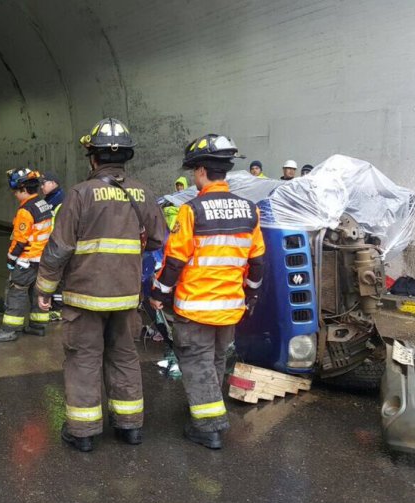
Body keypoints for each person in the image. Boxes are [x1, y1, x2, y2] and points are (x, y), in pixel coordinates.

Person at [36, 118, 167, 452]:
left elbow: (59, 248)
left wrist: (44, 289)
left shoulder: (80, 194)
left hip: (84, 298)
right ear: (126, 157)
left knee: (83, 360)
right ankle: (130, 427)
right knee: (124, 357)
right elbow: (158, 239)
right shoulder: (144, 192)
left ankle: (83, 434)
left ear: (93, 157)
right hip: (125, 297)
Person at [150, 133, 265, 450]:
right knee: (215, 360)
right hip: (230, 307)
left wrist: (158, 293)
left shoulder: (192, 211)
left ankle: (209, 426)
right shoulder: (249, 210)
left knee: (197, 361)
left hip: (196, 306)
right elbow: (257, 262)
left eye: (193, 172)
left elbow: (173, 261)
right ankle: (207, 410)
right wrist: (251, 296)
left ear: (201, 171)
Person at [0, 168, 54, 342]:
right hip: (43, 258)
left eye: (16, 192)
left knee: (16, 291)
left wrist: (10, 259)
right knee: (37, 291)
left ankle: (10, 329)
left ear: (24, 190)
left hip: (27, 260)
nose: (15, 195)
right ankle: (37, 326)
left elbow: (20, 240)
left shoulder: (25, 211)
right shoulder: (43, 204)